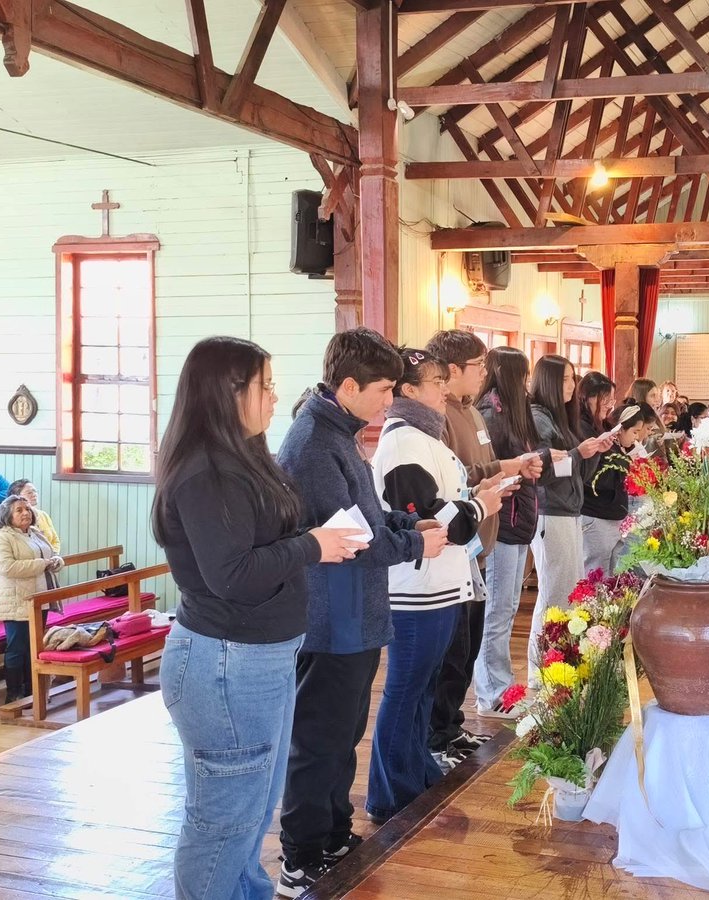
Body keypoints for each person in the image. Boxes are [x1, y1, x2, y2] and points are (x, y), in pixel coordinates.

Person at [152, 336, 368, 900]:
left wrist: (312, 541)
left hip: (257, 658)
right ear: (227, 393)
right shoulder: (205, 473)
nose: (275, 397)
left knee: (252, 811)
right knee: (222, 819)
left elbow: (262, 542)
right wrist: (311, 547)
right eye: (264, 386)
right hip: (226, 662)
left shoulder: (243, 457)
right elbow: (234, 576)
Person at [275, 328, 447, 897]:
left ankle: (332, 835)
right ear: (347, 385)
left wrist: (408, 525)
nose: (389, 399)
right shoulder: (313, 443)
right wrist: (416, 544)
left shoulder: (340, 431)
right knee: (318, 739)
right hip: (331, 617)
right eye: (382, 388)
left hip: (357, 611)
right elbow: (350, 538)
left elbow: (368, 517)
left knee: (345, 732)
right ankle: (300, 856)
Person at [367, 348, 504, 823]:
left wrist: (474, 500)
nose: (444, 389)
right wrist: (482, 506)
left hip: (442, 585)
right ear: (408, 391)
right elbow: (430, 522)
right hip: (415, 590)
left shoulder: (428, 437)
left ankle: (417, 772)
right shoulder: (403, 443)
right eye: (434, 382)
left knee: (424, 689)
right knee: (405, 689)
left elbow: (449, 503)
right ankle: (389, 792)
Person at [423, 330, 542, 771]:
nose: (484, 375)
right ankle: (437, 733)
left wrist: (501, 473)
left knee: (468, 641)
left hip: (480, 539)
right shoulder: (439, 416)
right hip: (458, 543)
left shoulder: (470, 411)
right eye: (477, 367)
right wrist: (496, 473)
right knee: (452, 648)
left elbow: (477, 468)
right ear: (453, 370)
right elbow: (453, 476)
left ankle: (452, 724)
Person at [529, 356, 612, 684]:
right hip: (551, 511)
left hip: (570, 509)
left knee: (567, 590)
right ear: (548, 381)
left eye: (572, 378)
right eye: (565, 379)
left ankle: (558, 662)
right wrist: (580, 453)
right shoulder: (538, 419)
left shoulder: (561, 418)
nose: (571, 385)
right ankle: (541, 670)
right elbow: (544, 471)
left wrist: (595, 452)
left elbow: (577, 471)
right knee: (554, 592)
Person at [473, 348, 543, 717]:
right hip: (500, 522)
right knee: (497, 612)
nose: (527, 383)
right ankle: (492, 692)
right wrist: (515, 472)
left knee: (508, 608)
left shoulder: (515, 413)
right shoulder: (490, 413)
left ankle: (501, 685)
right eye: (524, 375)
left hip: (519, 521)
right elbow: (485, 470)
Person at [0, 494, 64, 703]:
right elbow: (7, 567)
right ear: (7, 515)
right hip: (16, 599)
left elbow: (49, 554)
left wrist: (56, 561)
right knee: (17, 646)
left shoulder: (35, 532)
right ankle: (14, 692)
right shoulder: (0, 536)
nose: (25, 513)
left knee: (35, 645)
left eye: (27, 509)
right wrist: (43, 563)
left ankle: (34, 690)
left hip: (40, 597)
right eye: (19, 510)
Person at [581, 404, 657, 575]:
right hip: (597, 515)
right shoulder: (606, 446)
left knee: (611, 571)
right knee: (596, 571)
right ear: (620, 429)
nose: (637, 438)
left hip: (612, 517)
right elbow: (598, 478)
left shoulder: (621, 448)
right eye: (634, 432)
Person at [7, 480, 59, 551]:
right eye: (29, 493)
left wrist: (54, 555)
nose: (34, 494)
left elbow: (55, 540)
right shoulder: (14, 518)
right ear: (17, 497)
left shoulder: (43, 515)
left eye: (35, 491)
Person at [578, 371, 617, 439]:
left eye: (611, 400)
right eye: (605, 399)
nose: (609, 406)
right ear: (587, 397)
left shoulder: (605, 425)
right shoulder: (580, 426)